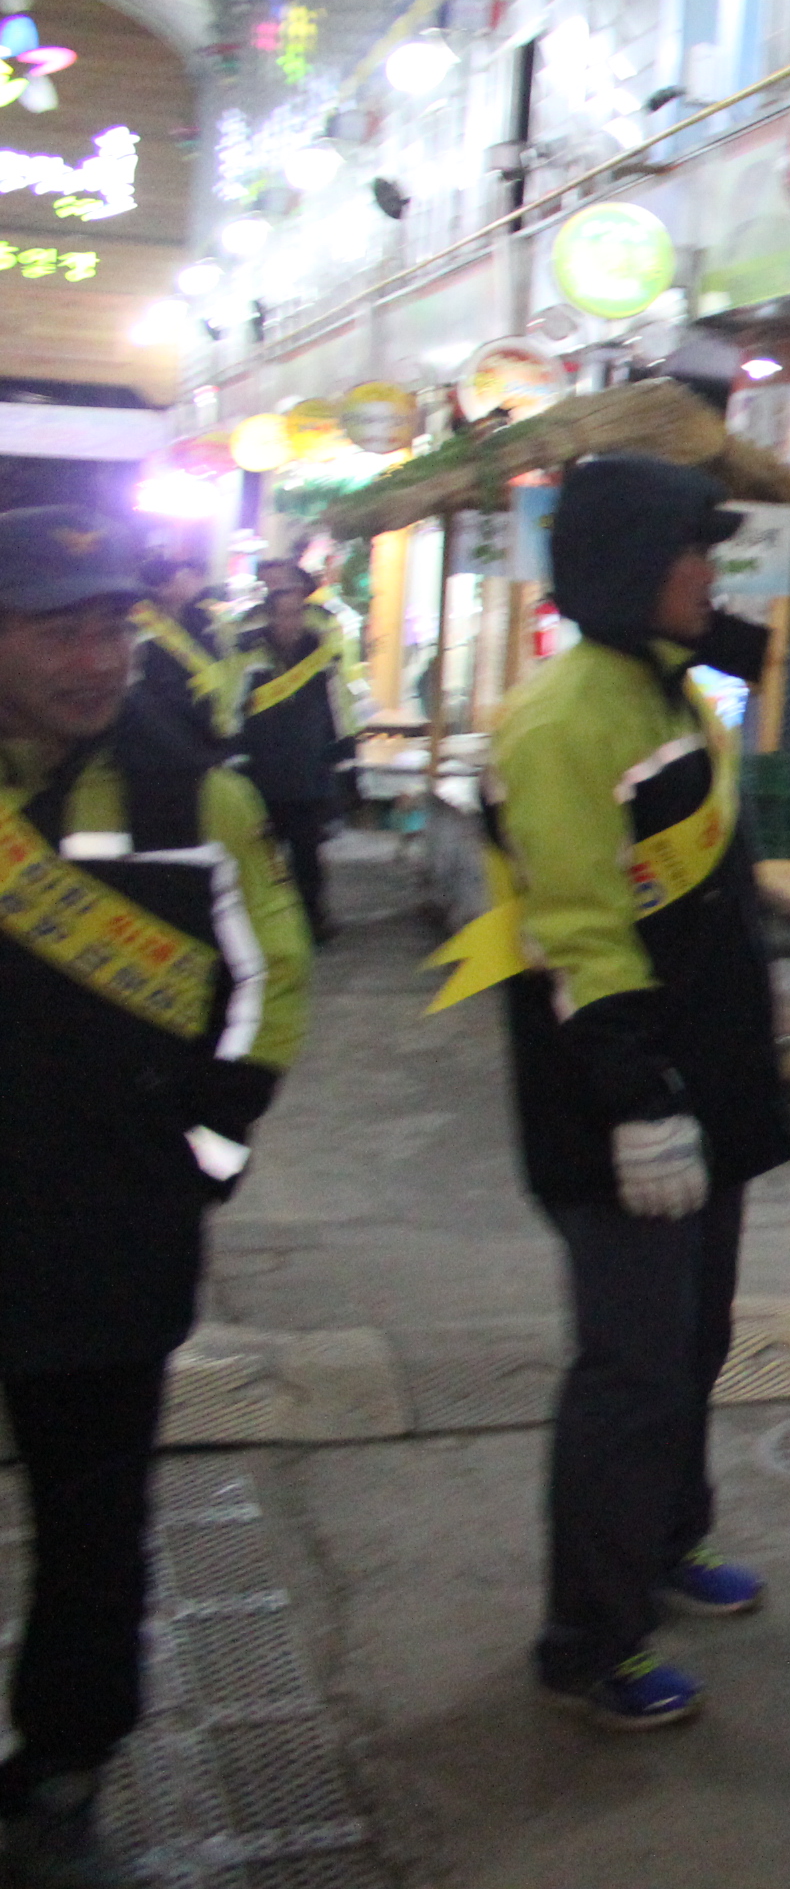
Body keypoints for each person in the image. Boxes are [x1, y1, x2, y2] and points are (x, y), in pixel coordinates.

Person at [0, 507, 309, 1887]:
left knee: (95, 1528)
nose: (93, 659)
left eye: (109, 629)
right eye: (56, 630)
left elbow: (271, 982)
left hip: (108, 1237)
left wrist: (201, 1161)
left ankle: (63, 1778)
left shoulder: (196, 796)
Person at [477, 456, 790, 1730]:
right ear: (626, 567)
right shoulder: (560, 721)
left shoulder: (667, 684)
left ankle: (668, 1542)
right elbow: (577, 931)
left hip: (705, 1085)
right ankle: (589, 1640)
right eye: (691, 552)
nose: (711, 574)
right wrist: (638, 1099)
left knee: (696, 1340)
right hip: (621, 1104)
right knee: (633, 1369)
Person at [233, 556, 357, 944]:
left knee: (307, 852)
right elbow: (234, 703)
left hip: (306, 767)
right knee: (262, 854)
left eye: (296, 614)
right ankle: (263, 924)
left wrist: (344, 752)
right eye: (282, 616)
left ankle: (313, 919)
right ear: (270, 616)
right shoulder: (250, 650)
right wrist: (235, 753)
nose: (290, 623)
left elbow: (338, 701)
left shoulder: (321, 649)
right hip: (262, 768)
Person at [127, 553, 236, 752]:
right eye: (182, 577)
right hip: (173, 735)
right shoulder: (142, 632)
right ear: (163, 588)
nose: (192, 581)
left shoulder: (199, 618)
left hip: (211, 728)